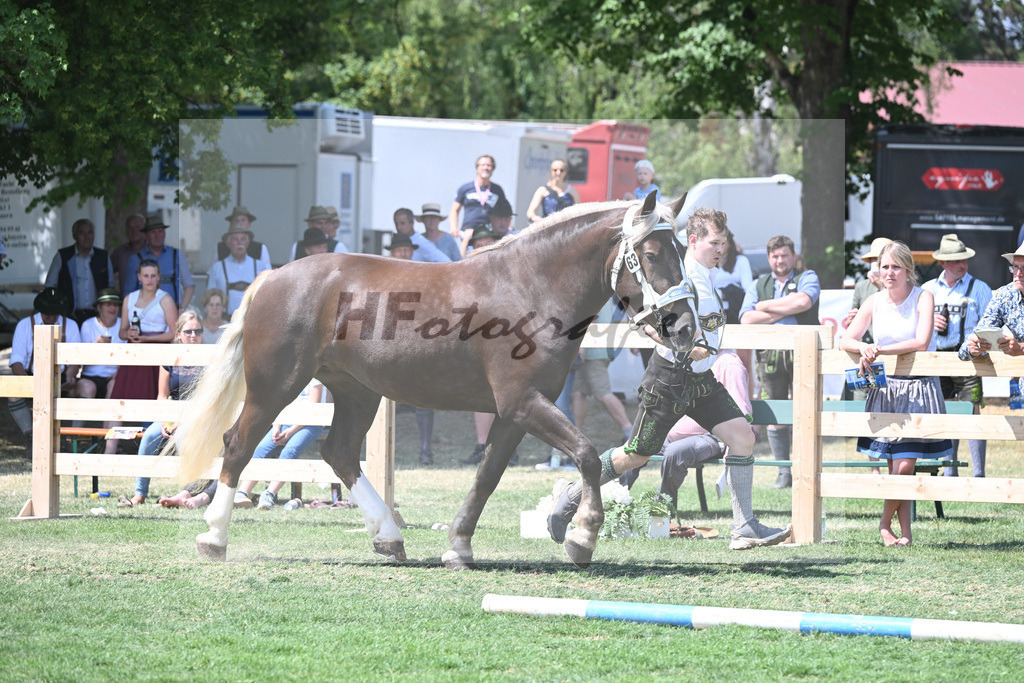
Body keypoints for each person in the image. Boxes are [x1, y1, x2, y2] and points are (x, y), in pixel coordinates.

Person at [547, 207, 791, 550]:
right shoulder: (680, 275)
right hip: (669, 381)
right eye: (714, 242)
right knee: (636, 455)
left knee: (742, 437)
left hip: (702, 381)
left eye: (723, 242)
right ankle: (573, 495)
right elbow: (645, 320)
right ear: (693, 241)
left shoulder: (707, 274)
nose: (721, 249)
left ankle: (744, 527)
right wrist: (683, 346)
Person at [840, 241, 952, 547]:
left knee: (904, 464)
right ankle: (906, 534)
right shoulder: (874, 301)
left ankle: (883, 523)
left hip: (918, 388)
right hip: (886, 389)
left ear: (908, 270)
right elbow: (845, 339)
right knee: (896, 464)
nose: (889, 272)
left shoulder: (923, 296)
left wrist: (879, 350)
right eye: (885, 266)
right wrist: (863, 346)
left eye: (896, 267)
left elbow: (921, 341)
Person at [739, 234, 821, 488]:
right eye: (775, 256)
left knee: (805, 410)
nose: (780, 260)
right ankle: (783, 471)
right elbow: (746, 319)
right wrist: (784, 310)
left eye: (785, 255)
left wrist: (765, 306)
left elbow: (804, 302)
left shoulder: (807, 277)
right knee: (775, 413)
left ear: (793, 256)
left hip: (803, 351)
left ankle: (804, 469)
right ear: (769, 259)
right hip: (769, 354)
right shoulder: (758, 283)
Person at [921, 234, 992, 478]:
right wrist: (930, 322)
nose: (963, 264)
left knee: (972, 412)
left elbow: (991, 325)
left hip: (970, 360)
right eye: (957, 260)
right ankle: (949, 473)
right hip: (938, 359)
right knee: (945, 413)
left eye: (965, 259)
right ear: (943, 263)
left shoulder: (980, 288)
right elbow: (916, 326)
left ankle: (979, 475)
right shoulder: (927, 289)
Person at [120, 312, 204, 507]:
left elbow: (206, 400)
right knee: (149, 436)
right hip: (171, 414)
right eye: (188, 331)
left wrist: (181, 421)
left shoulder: (209, 358)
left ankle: (187, 493)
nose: (193, 336)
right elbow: (162, 395)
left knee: (182, 437)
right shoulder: (169, 357)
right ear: (178, 334)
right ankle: (139, 494)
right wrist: (166, 421)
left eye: (198, 331)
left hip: (197, 416)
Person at [235, 378, 328, 509]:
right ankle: (241, 494)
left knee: (289, 451)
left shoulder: (315, 380)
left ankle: (269, 495)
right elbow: (278, 404)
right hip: (285, 422)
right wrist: (276, 427)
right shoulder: (288, 376)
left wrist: (290, 432)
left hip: (310, 424)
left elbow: (312, 410)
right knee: (260, 450)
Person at [384, 233, 436, 464]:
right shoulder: (381, 276)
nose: (404, 253)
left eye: (407, 250)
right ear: (392, 253)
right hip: (387, 346)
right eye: (400, 250)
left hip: (416, 345)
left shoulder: (423, 276)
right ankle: (381, 452)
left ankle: (426, 450)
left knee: (425, 399)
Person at [844, 237, 892, 473]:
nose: (875, 264)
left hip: (889, 355)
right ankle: (874, 467)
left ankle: (892, 462)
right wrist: (851, 320)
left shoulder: (897, 285)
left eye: (878, 259)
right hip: (865, 357)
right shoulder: (861, 287)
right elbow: (851, 327)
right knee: (866, 409)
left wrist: (882, 286)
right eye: (873, 260)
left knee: (890, 409)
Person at [7, 288, 83, 434]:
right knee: (13, 392)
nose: (51, 317)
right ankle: (30, 433)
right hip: (32, 376)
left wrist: (70, 375)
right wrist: (26, 381)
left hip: (60, 377)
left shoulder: (71, 325)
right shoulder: (24, 325)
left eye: (55, 313)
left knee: (85, 387)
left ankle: (73, 435)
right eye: (47, 313)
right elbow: (16, 360)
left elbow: (75, 358)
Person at [110, 259, 178, 405]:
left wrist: (147, 339)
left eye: (153, 276)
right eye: (146, 276)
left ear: (158, 277)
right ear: (139, 277)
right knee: (125, 397)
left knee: (152, 396)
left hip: (157, 352)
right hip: (133, 353)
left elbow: (174, 333)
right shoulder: (129, 298)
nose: (149, 280)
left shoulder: (165, 299)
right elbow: (121, 332)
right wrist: (128, 334)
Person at [959, 242, 1024, 389]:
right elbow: (979, 334)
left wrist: (1020, 349)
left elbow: (1019, 349)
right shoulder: (1005, 295)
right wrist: (974, 348)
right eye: (1015, 267)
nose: (1018, 273)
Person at [571, 298, 633, 445]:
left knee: (603, 393)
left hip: (593, 351)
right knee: (578, 392)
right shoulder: (605, 293)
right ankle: (574, 437)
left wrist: (581, 349)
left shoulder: (594, 290)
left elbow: (590, 318)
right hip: (592, 350)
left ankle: (630, 433)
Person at [44, 218, 115, 325]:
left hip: (97, 317)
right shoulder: (63, 256)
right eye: (82, 233)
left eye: (90, 232)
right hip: (70, 316)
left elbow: (110, 287)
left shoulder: (103, 256)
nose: (87, 237)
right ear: (74, 236)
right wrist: (59, 307)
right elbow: (50, 286)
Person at [125, 214, 194, 310]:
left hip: (174, 311)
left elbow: (189, 286)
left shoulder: (177, 255)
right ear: (146, 235)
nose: (157, 235)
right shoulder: (135, 259)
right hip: (145, 314)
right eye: (153, 232)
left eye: (160, 231)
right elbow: (129, 293)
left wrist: (181, 309)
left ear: (164, 233)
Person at [206, 224, 272, 316]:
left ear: (247, 243)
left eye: (243, 239)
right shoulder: (217, 268)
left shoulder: (260, 266)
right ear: (228, 243)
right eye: (235, 239)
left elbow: (268, 296)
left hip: (251, 320)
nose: (239, 243)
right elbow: (210, 297)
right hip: (225, 320)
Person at [448, 154, 507, 238]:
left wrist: (507, 227)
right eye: (483, 165)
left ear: (493, 169)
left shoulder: (497, 190)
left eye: (489, 165)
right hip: (468, 231)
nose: (486, 168)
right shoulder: (465, 188)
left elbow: (505, 211)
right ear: (477, 168)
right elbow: (454, 210)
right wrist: (453, 228)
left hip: (490, 232)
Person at [526, 158, 580, 222]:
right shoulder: (542, 190)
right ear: (551, 171)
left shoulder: (572, 190)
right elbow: (530, 212)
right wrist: (537, 218)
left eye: (561, 170)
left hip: (567, 226)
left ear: (565, 172)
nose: (558, 173)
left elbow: (579, 211)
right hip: (549, 225)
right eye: (555, 170)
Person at [110, 213, 146, 295]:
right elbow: (105, 272)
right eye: (130, 228)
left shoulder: (153, 251)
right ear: (126, 230)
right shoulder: (120, 252)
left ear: (144, 229)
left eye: (137, 227)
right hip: (127, 300)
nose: (134, 231)